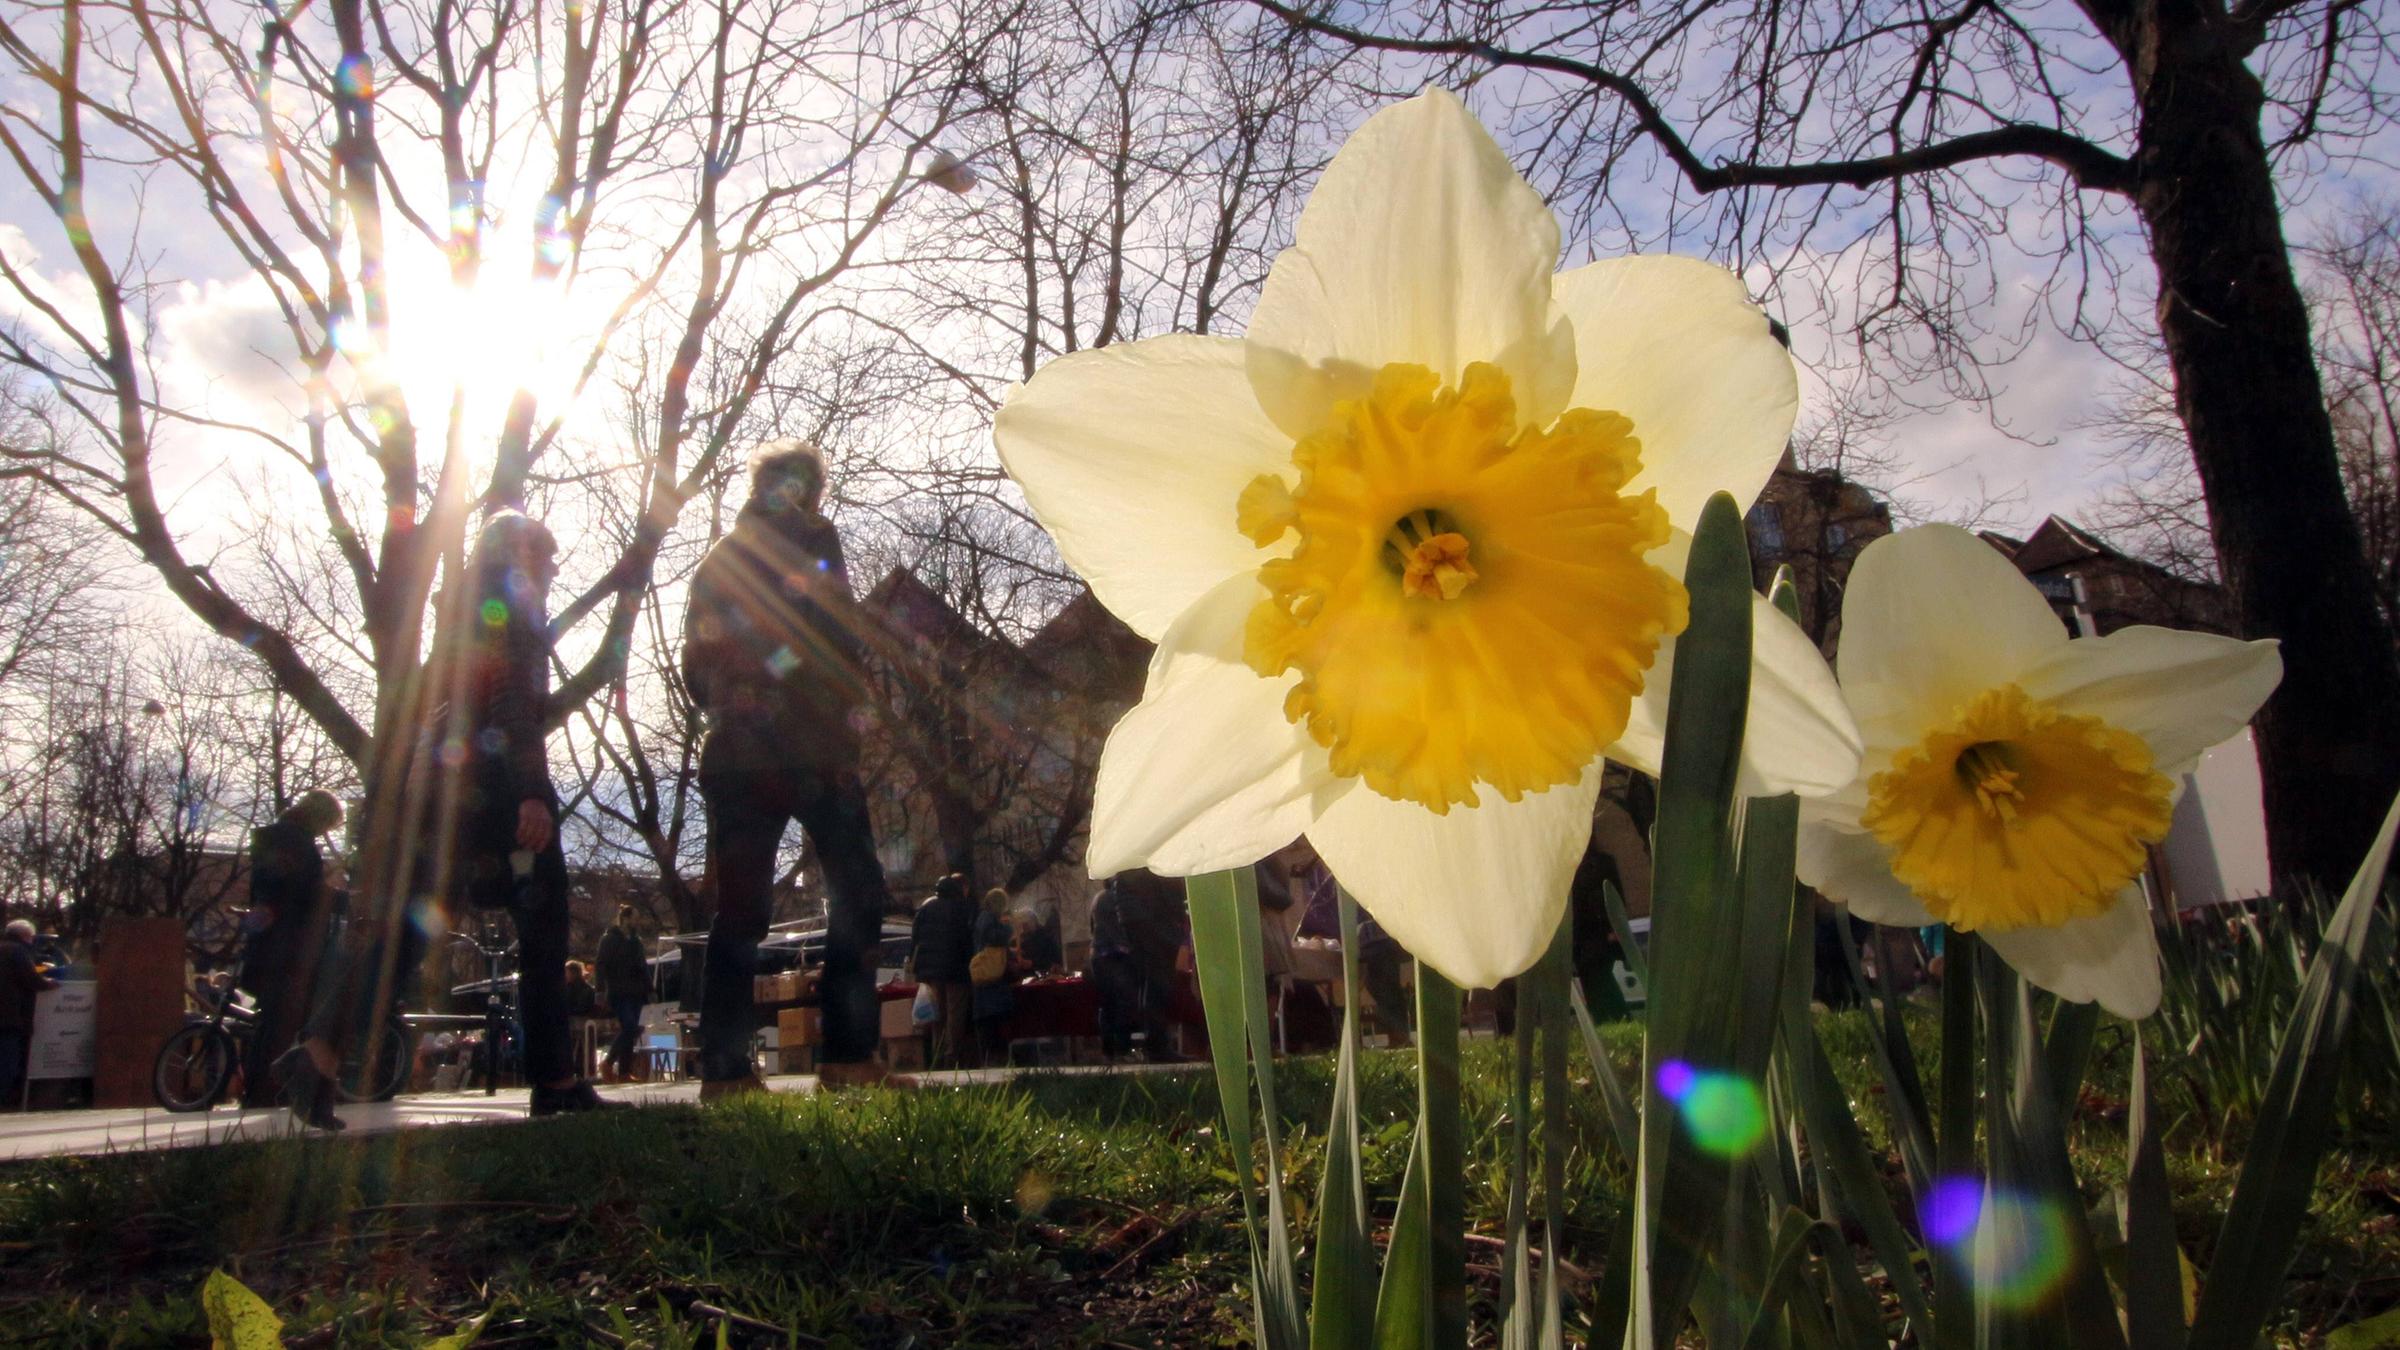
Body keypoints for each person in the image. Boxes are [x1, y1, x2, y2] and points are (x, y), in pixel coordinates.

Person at [280, 510, 613, 1128]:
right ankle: (555, 1079)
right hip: (493, 789)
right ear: (519, 554)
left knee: (409, 929)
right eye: (548, 555)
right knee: (545, 922)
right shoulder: (513, 607)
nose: (556, 568)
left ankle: (320, 1050)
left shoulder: (458, 611)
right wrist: (533, 794)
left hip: (438, 790)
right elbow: (513, 702)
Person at [684, 440, 905, 1096]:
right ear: (809, 490)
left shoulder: (715, 563)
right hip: (811, 755)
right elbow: (832, 644)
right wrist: (834, 716)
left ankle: (725, 1072)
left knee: (741, 912)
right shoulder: (815, 540)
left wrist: (746, 697)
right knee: (858, 892)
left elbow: (698, 669)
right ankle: (847, 1056)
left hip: (737, 759)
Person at [239, 791, 344, 1109]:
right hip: (289, 948)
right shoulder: (297, 842)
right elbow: (305, 892)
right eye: (326, 824)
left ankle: (260, 1088)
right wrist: (342, 899)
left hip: (266, 944)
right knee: (288, 1018)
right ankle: (268, 1089)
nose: (325, 831)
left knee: (271, 1020)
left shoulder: (273, 838)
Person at [909, 874, 975, 1069]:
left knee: (937, 1015)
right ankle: (952, 1057)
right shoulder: (960, 908)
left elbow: (915, 939)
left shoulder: (925, 908)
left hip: (931, 973)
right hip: (956, 969)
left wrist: (919, 968)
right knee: (955, 1014)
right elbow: (966, 940)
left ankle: (937, 1056)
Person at [0, 919, 59, 1108]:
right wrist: (50, 983)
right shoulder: (18, 952)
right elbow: (31, 979)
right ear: (26, 936)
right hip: (10, 1016)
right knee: (8, 1060)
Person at [596, 905, 650, 1083]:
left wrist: (650, 989)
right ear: (625, 918)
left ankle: (624, 1071)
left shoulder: (636, 941)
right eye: (635, 917)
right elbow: (601, 965)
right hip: (619, 991)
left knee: (633, 1029)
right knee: (629, 1026)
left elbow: (643, 966)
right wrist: (600, 990)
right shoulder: (609, 940)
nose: (637, 921)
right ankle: (608, 1062)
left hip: (636, 991)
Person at [970, 887, 1018, 1067]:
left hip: (986, 985)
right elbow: (996, 938)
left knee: (989, 1024)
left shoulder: (982, 919)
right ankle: (996, 1058)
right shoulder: (989, 920)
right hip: (992, 983)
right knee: (994, 1024)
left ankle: (992, 1057)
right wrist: (1009, 927)